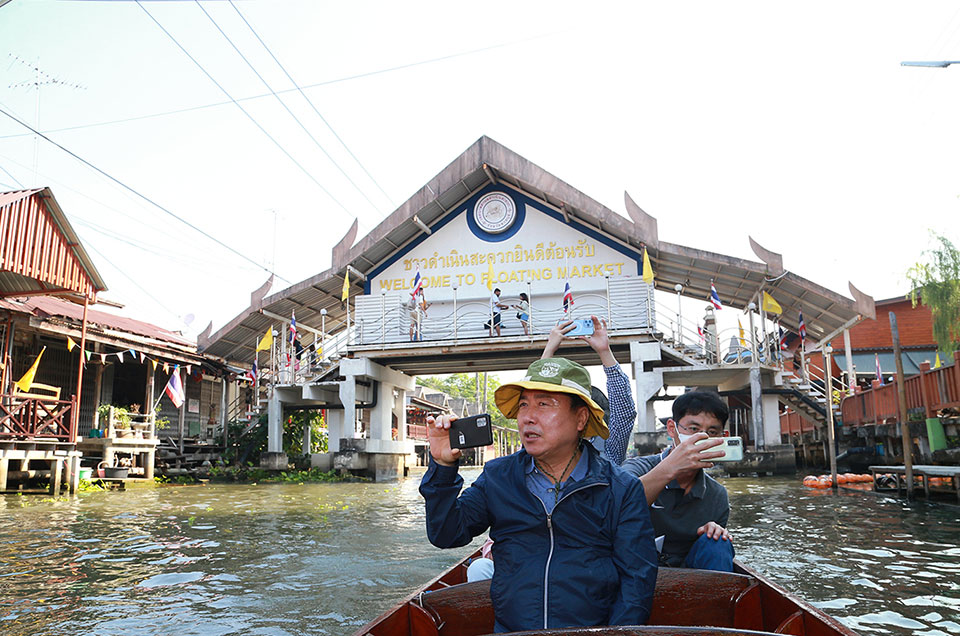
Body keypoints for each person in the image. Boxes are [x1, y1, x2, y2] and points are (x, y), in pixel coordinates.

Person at [420, 357, 658, 632]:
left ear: (581, 418)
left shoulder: (620, 489)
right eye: (524, 405)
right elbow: (446, 534)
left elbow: (637, 581)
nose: (527, 417)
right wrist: (442, 466)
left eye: (544, 404)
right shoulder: (499, 477)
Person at [620, 391, 734, 572]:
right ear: (672, 429)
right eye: (694, 429)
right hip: (634, 568)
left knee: (717, 541)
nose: (702, 438)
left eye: (712, 432)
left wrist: (713, 530)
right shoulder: (636, 469)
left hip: (686, 578)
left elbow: (711, 551)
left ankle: (715, 600)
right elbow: (618, 507)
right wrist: (670, 468)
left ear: (722, 437)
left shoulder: (717, 496)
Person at [541, 316, 635, 465]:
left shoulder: (609, 447)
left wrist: (605, 351)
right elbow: (536, 396)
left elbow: (624, 409)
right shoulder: (543, 443)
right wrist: (549, 349)